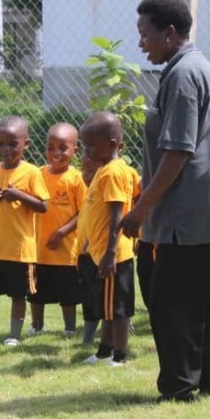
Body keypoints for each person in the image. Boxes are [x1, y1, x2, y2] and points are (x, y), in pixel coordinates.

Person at [119, 0, 210, 403]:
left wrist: (141, 209)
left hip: (194, 207)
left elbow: (178, 151)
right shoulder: (199, 66)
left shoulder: (182, 75)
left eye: (145, 35)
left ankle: (179, 385)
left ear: (169, 32)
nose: (141, 44)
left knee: (172, 299)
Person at [0, 116, 49, 347]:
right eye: (1, 144)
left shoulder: (32, 172)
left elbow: (43, 206)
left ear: (26, 144)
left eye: (12, 144)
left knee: (18, 295)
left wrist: (19, 195)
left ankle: (14, 336)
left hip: (19, 250)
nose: (6, 149)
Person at [76, 112, 138, 366]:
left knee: (118, 309)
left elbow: (116, 215)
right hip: (101, 251)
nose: (86, 151)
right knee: (108, 308)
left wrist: (110, 253)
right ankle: (104, 351)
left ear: (111, 144)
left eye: (91, 145)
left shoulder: (113, 172)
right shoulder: (103, 171)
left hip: (114, 255)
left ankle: (120, 356)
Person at [28, 122, 86, 338]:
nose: (56, 153)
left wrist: (61, 233)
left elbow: (83, 212)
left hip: (66, 252)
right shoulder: (38, 174)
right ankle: (36, 325)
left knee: (68, 294)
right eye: (50, 147)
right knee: (36, 292)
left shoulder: (77, 179)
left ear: (75, 150)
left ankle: (70, 328)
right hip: (38, 250)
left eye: (63, 148)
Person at [77, 154, 100, 346]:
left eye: (91, 170)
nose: (86, 175)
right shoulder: (88, 193)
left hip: (100, 254)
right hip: (84, 254)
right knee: (89, 297)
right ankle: (88, 338)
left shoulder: (103, 193)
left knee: (103, 297)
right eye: (84, 170)